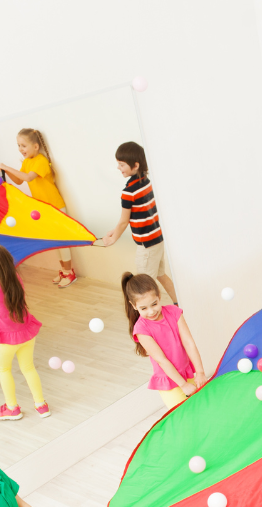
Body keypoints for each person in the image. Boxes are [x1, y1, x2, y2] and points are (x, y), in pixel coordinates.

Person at [0, 244, 49, 421]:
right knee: (29, 368)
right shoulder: (17, 278)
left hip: (5, 339)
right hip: (26, 332)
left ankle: (12, 408)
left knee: (4, 370)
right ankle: (41, 405)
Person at [97, 142, 177, 304]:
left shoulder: (129, 192)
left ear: (135, 165)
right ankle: (180, 302)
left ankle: (154, 315)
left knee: (145, 286)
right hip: (157, 239)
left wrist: (113, 239)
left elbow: (124, 221)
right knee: (160, 275)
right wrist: (115, 231)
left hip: (146, 245)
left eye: (122, 164)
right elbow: (136, 215)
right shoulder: (146, 182)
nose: (118, 168)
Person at [1, 128, 75, 288]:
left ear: (35, 146)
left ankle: (70, 273)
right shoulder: (27, 162)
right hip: (43, 208)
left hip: (55, 206)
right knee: (54, 242)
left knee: (62, 241)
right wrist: (7, 170)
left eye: (23, 145)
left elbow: (28, 177)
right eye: (18, 146)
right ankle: (63, 270)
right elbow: (20, 181)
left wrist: (9, 167)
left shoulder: (40, 160)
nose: (21, 149)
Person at [121, 272, 206, 410]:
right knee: (182, 414)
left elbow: (189, 342)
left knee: (200, 407)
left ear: (159, 296)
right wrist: (183, 385)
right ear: (134, 306)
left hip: (187, 372)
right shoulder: (141, 328)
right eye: (144, 308)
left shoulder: (174, 312)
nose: (151, 311)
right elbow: (162, 360)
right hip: (170, 381)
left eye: (154, 304)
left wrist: (200, 371)